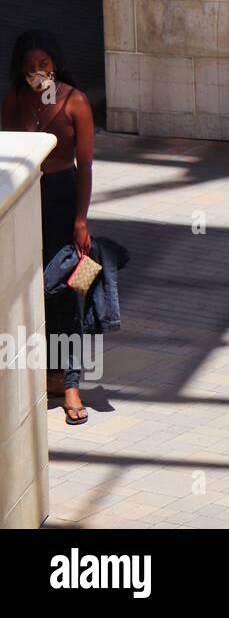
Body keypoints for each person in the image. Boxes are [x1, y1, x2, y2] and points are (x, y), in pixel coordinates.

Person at [1, 30, 96, 425]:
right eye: (29, 66)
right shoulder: (12, 102)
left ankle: (71, 382)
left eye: (43, 65)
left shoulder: (75, 101)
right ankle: (45, 374)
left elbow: (86, 166)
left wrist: (80, 219)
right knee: (26, 290)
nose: (36, 72)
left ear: (54, 64)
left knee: (60, 291)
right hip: (25, 199)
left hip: (61, 199)